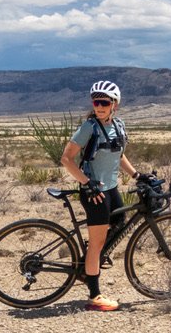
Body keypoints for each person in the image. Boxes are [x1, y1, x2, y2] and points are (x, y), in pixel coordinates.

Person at [60, 80, 144, 312]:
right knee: (97, 243)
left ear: (114, 105)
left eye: (104, 102)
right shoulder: (89, 127)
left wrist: (137, 175)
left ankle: (89, 264)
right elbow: (66, 159)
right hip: (94, 192)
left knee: (119, 222)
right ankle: (94, 295)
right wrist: (87, 183)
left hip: (110, 188)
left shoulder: (118, 125)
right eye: (96, 102)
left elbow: (119, 155)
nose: (99, 106)